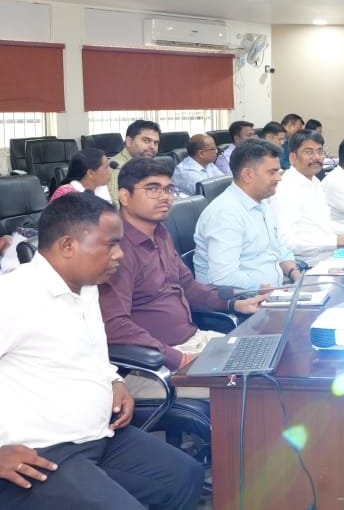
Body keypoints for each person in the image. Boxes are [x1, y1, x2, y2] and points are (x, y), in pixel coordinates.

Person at [0, 193, 203, 509]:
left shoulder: (86, 286)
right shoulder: (14, 297)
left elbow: (89, 348)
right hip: (41, 451)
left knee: (184, 475)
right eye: (110, 245)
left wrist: (114, 380)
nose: (120, 254)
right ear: (68, 246)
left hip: (98, 434)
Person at [99, 158, 265, 378]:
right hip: (156, 365)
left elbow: (187, 286)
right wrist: (179, 359)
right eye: (152, 189)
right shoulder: (116, 251)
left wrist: (234, 304)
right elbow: (115, 326)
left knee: (265, 356)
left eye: (168, 189)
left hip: (194, 340)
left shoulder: (160, 234)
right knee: (255, 384)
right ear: (124, 196)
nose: (164, 196)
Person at [194, 140, 301, 291]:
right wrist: (270, 291)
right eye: (272, 172)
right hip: (246, 298)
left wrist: (296, 275)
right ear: (248, 175)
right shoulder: (225, 213)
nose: (279, 177)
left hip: (273, 291)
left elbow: (277, 249)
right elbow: (223, 277)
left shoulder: (261, 202)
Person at [271, 131, 344, 266]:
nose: (316, 157)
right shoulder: (285, 188)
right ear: (293, 158)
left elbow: (320, 224)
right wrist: (336, 241)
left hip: (329, 256)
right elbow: (288, 242)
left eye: (320, 152)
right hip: (307, 265)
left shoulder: (315, 181)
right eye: (308, 152)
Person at [107, 119, 161, 203]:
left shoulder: (152, 166)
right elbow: (116, 206)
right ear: (129, 141)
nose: (152, 147)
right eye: (146, 140)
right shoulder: (115, 168)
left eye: (155, 143)